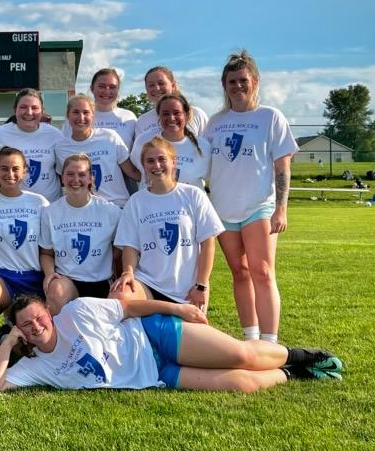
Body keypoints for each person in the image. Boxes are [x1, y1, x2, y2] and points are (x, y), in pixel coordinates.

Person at [0, 294, 343, 392]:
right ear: (20, 332)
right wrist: (8, 343)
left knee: (241, 354)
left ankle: (302, 355)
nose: (37, 326)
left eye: (39, 317)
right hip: (154, 374)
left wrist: (177, 309)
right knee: (242, 383)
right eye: (26, 325)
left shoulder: (77, 311)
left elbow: (130, 308)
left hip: (154, 334)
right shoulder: (37, 366)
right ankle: (295, 373)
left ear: (48, 312)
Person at [204, 50, 298, 343]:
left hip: (259, 207)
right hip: (223, 210)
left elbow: (282, 165)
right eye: (232, 81)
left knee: (263, 272)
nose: (238, 86)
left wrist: (281, 208)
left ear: (254, 81)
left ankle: (269, 343)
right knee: (240, 272)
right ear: (224, 85)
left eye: (243, 80)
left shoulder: (270, 117)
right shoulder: (215, 122)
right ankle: (251, 339)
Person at [113, 137, 223, 312]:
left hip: (188, 289)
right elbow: (130, 246)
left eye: (161, 159)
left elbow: (208, 243)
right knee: (119, 298)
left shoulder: (193, 195)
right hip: (148, 284)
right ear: (143, 166)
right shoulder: (136, 201)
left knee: (193, 329)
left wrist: (201, 285)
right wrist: (128, 272)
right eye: (150, 161)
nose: (156, 165)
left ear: (173, 162)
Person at [0, 147, 48, 370]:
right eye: (4, 168)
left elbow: (48, 246)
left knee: (32, 351)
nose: (10, 174)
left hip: (33, 277)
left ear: (25, 171)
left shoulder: (39, 203)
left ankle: (4, 336)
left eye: (15, 169)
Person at [38, 153, 121, 315]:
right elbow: (46, 253)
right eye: (70, 174)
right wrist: (50, 274)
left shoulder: (110, 211)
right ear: (62, 178)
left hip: (101, 282)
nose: (76, 180)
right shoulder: (50, 212)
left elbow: (121, 248)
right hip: (67, 281)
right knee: (56, 291)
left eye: (82, 174)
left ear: (91, 178)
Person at [54, 94, 140, 207]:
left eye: (86, 112)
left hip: (116, 205)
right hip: (84, 209)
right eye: (75, 112)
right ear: (68, 115)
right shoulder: (61, 148)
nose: (81, 117)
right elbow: (64, 182)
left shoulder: (110, 137)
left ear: (93, 115)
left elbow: (132, 172)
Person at [0, 89, 63, 201]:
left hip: (50, 205)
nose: (29, 112)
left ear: (42, 111)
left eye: (34, 108)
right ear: (15, 110)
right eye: (23, 107)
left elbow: (63, 170)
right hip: (11, 205)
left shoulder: (55, 135)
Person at [131, 94, 212, 190]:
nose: (171, 118)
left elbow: (210, 177)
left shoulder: (203, 146)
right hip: (150, 199)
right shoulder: (143, 140)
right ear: (159, 116)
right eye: (165, 113)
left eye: (176, 113)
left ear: (186, 116)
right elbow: (136, 171)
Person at [62, 68, 137, 150]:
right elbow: (65, 147)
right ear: (92, 88)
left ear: (117, 90)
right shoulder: (76, 119)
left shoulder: (128, 117)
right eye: (101, 86)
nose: (107, 91)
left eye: (112, 87)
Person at [135, 66, 209, 137]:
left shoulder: (197, 114)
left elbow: (207, 143)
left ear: (173, 85)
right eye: (151, 85)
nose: (157, 88)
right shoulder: (143, 121)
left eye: (161, 83)